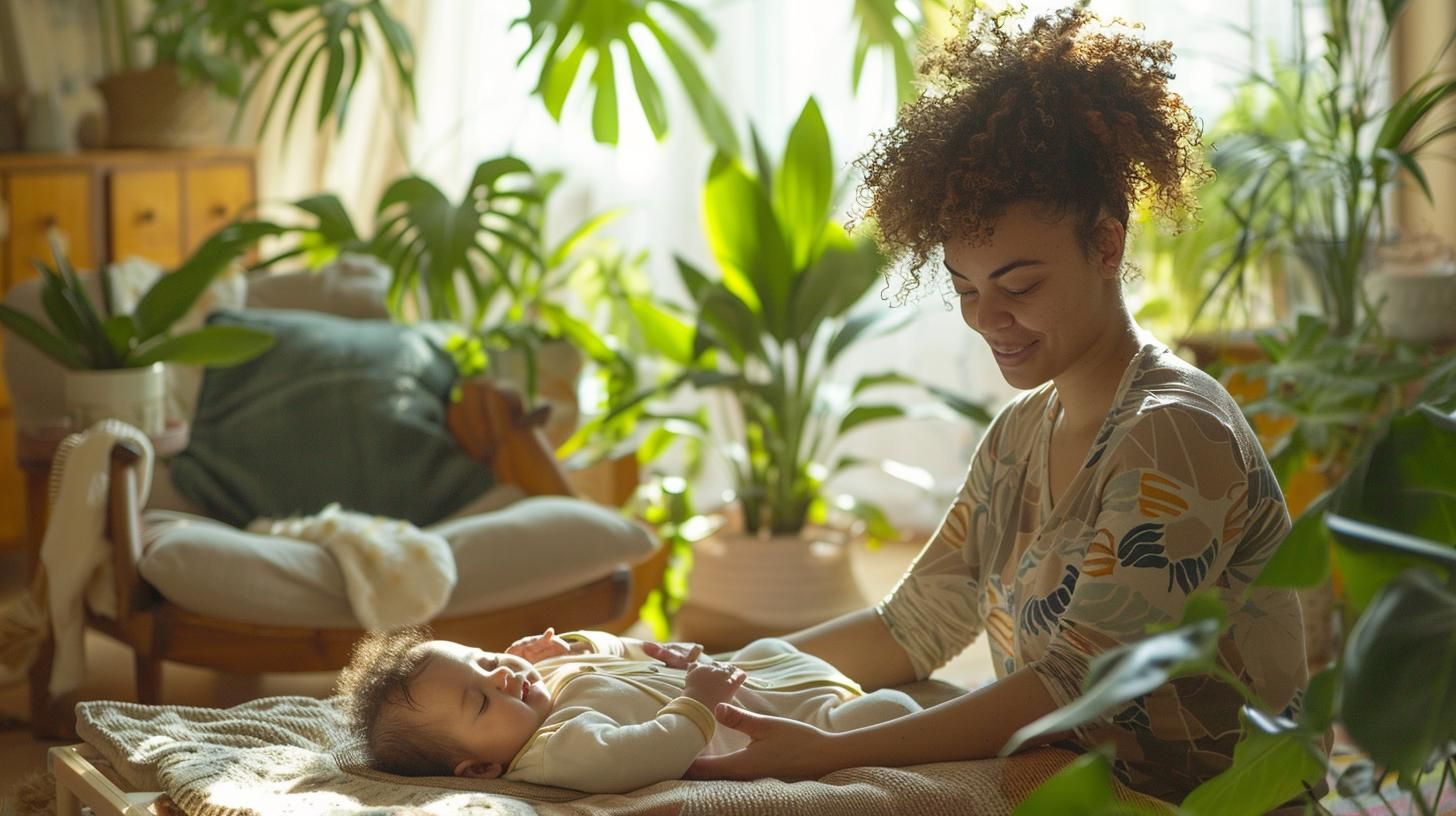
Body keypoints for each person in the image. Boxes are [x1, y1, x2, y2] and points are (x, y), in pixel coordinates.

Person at [686, 6, 1312, 804]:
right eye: (965, 287)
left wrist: (817, 755)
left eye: (1020, 286)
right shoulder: (1021, 433)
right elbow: (909, 627)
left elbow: (1068, 688)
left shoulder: (1174, 435)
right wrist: (717, 676)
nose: (986, 318)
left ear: (1107, 245)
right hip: (1065, 783)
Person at [335, 626, 920, 793]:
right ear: (481, 769)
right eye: (482, 699)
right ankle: (984, 727)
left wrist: (576, 647)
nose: (503, 675)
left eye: (486, 659)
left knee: (769, 645)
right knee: (889, 710)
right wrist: (699, 703)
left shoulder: (542, 681)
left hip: (755, 673)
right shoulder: (556, 747)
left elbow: (613, 649)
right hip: (790, 725)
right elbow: (635, 756)